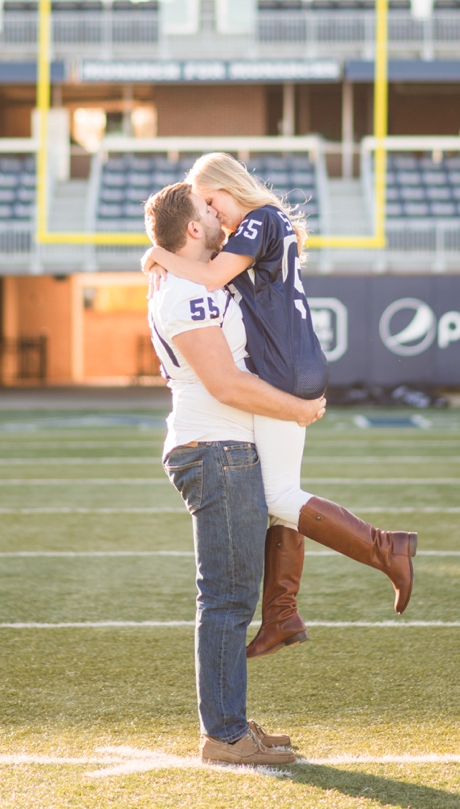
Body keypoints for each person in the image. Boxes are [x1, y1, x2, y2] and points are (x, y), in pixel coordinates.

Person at [143, 152, 418, 660]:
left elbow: (207, 278)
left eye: (211, 199)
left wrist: (159, 256)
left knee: (277, 495)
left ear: (228, 186)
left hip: (282, 365)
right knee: (278, 493)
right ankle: (282, 614)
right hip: (292, 360)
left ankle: (386, 548)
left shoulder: (259, 219)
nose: (212, 212)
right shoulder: (265, 225)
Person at [144, 181, 325, 766]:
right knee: (225, 599)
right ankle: (223, 736)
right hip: (215, 448)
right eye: (208, 210)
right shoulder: (184, 295)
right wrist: (297, 409)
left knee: (232, 596)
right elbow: (225, 383)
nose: (221, 215)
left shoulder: (202, 282)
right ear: (194, 229)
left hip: (225, 445)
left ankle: (230, 720)